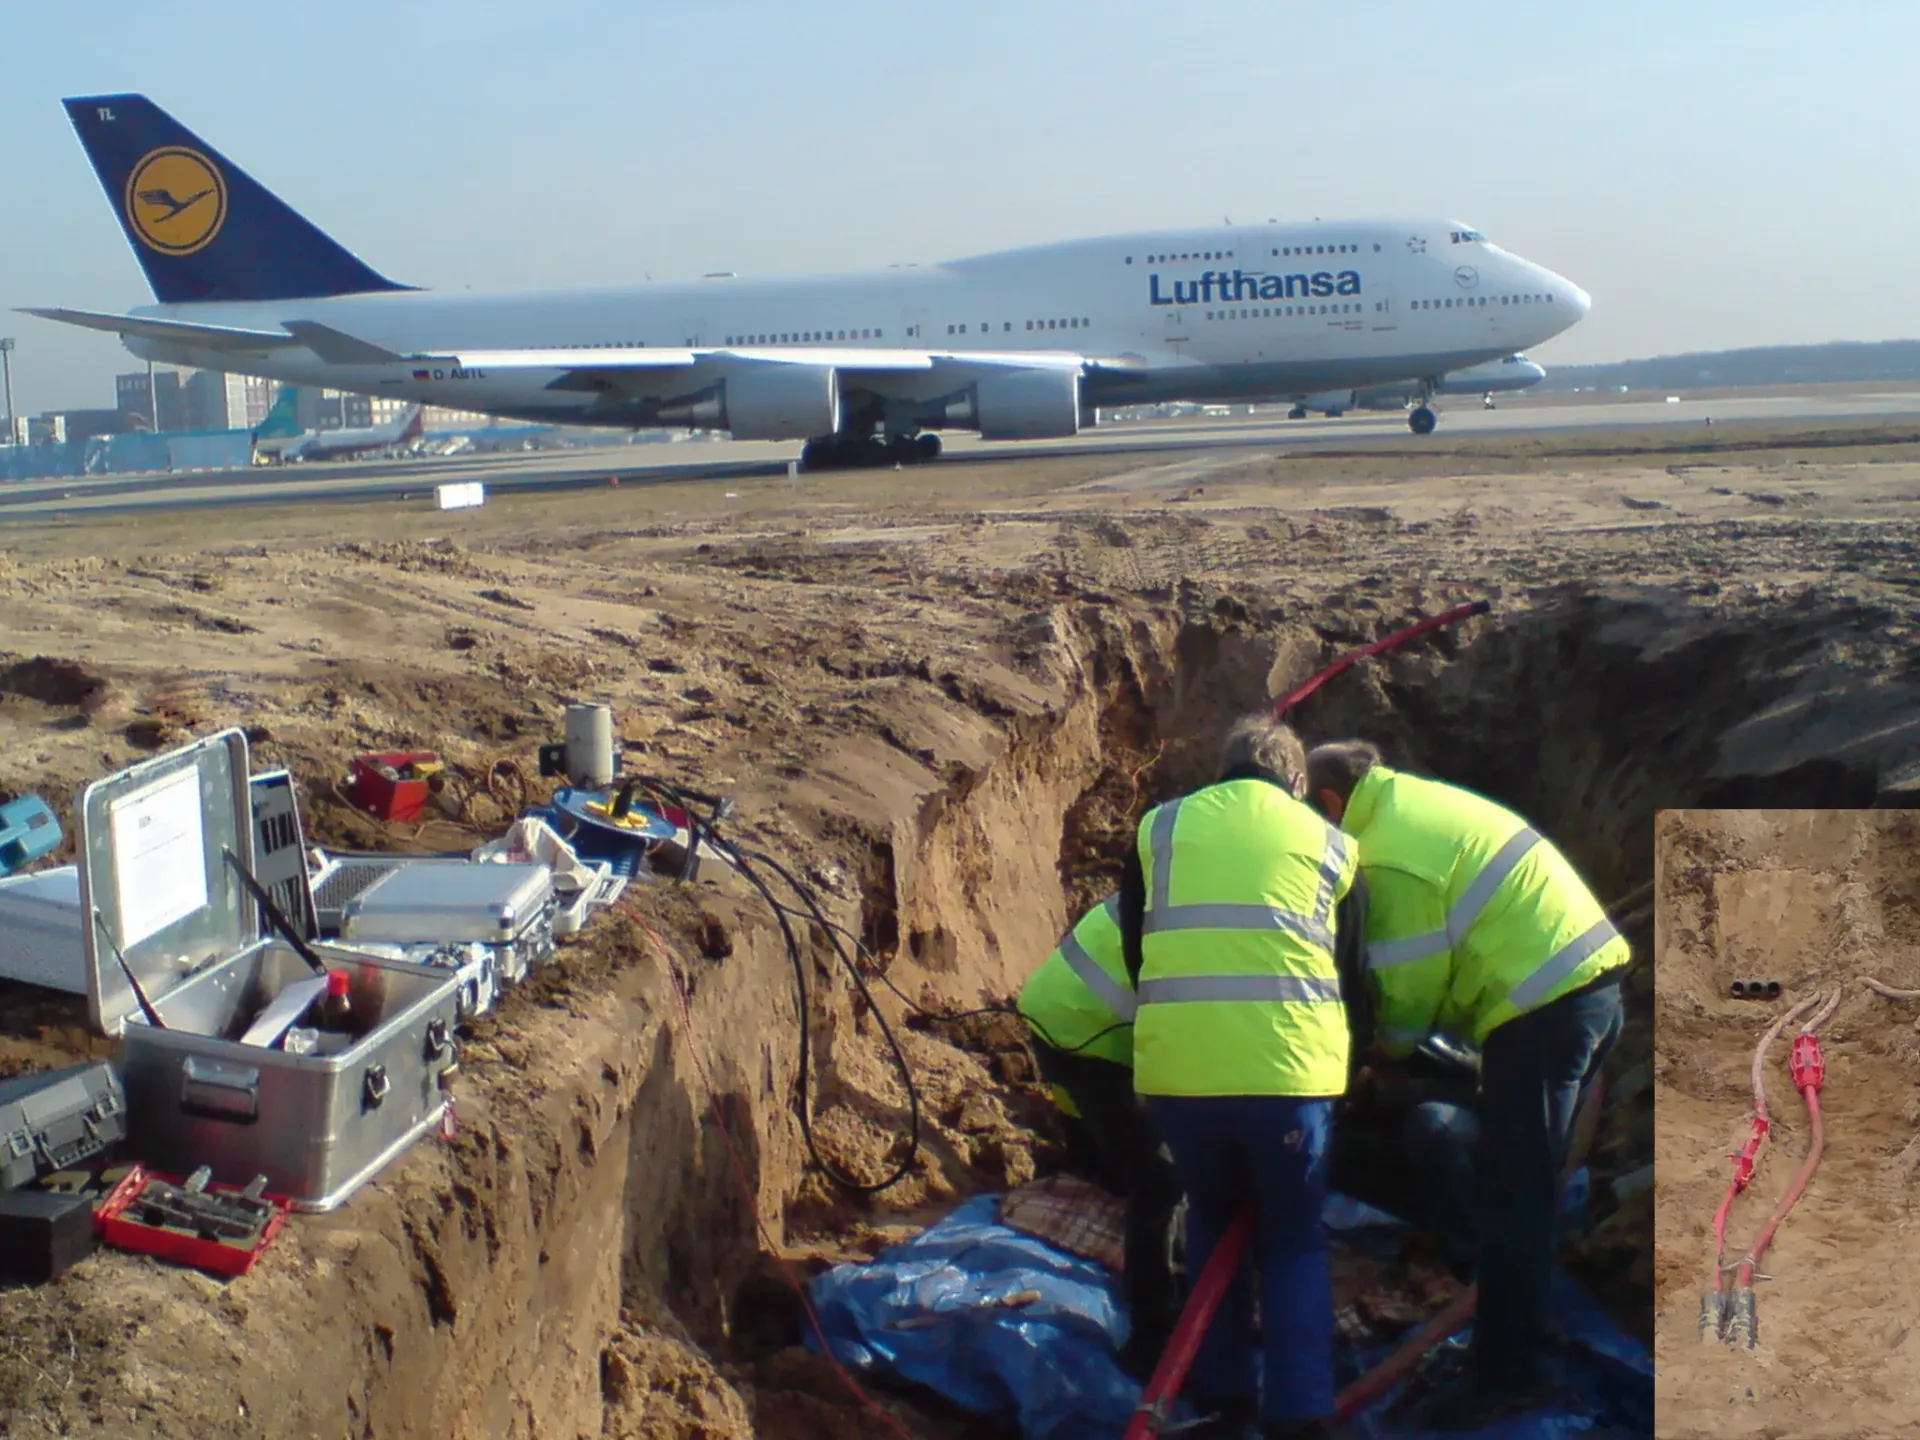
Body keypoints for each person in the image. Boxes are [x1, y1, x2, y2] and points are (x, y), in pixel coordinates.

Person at [1304, 740, 1629, 1431]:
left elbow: (1406, 983)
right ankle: (1512, 1336)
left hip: (1545, 1006)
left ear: (1330, 803)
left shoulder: (1386, 853)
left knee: (1519, 1199)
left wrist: (1372, 1061)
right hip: (1564, 994)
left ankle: (1510, 1374)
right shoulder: (1404, 806)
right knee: (1513, 1184)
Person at [1120, 714, 1358, 1440]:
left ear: (1221, 772)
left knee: (1212, 1218)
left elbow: (1137, 948)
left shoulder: (1158, 830)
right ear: (1295, 782)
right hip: (1290, 1075)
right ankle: (1299, 1413)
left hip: (1180, 1077)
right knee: (1291, 1240)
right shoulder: (1332, 844)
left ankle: (1221, 1397)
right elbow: (1352, 971)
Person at [1016, 893, 1184, 1379]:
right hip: (1088, 1030)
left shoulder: (1194, 882)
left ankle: (1092, 1163)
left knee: (1110, 1160)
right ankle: (1154, 1336)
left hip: (1060, 1005)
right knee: (1160, 1181)